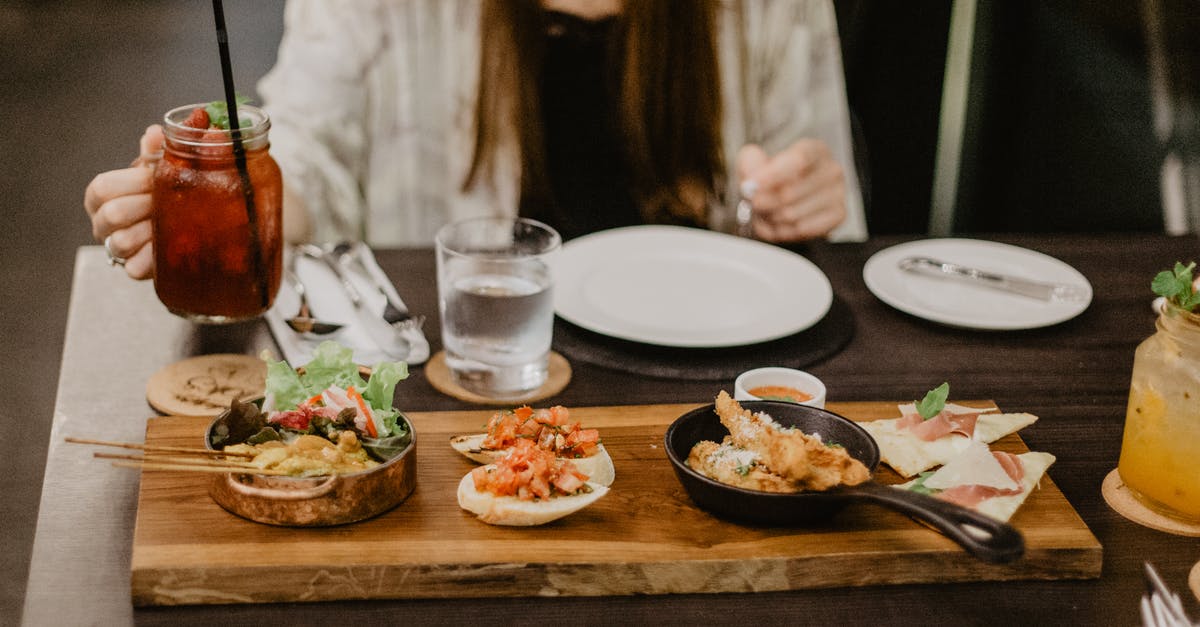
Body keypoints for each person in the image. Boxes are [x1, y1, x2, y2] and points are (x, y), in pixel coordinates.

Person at [85, 0, 867, 280]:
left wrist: (801, 201)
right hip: (464, 378)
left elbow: (812, 180)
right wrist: (231, 196)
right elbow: (312, 153)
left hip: (707, 379)